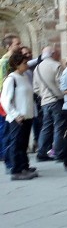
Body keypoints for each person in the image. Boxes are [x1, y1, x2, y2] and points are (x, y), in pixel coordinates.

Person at [1, 51, 38, 180]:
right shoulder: (11, 79)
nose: (26, 64)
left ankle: (24, 166)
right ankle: (16, 170)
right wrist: (15, 114)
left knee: (23, 143)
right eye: (24, 63)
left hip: (27, 115)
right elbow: (5, 100)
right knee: (16, 144)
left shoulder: (24, 76)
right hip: (18, 117)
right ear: (17, 65)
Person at [33, 45, 66, 163]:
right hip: (56, 100)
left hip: (44, 101)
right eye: (57, 52)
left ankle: (41, 153)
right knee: (59, 127)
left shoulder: (37, 68)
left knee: (46, 127)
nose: (58, 54)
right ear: (52, 54)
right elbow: (62, 84)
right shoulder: (56, 65)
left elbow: (35, 88)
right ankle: (58, 152)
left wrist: (44, 94)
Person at [0, 34, 22, 171]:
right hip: (7, 100)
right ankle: (9, 162)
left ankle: (17, 161)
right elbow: (4, 83)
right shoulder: (5, 62)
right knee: (8, 130)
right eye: (17, 44)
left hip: (16, 99)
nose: (19, 46)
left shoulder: (14, 60)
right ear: (9, 46)